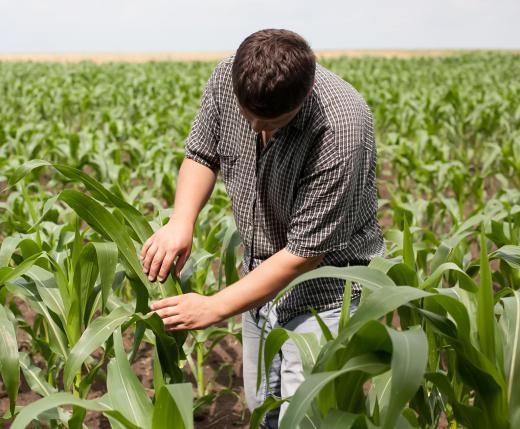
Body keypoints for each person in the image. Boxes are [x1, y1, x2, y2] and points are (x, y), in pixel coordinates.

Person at [140, 28, 384, 428]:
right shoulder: (226, 79)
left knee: (304, 419)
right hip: (258, 286)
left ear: (303, 98)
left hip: (325, 298)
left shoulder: (342, 129)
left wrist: (214, 305)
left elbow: (304, 255)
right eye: (246, 116)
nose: (256, 129)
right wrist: (180, 222)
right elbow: (201, 153)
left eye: (272, 122)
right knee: (261, 411)